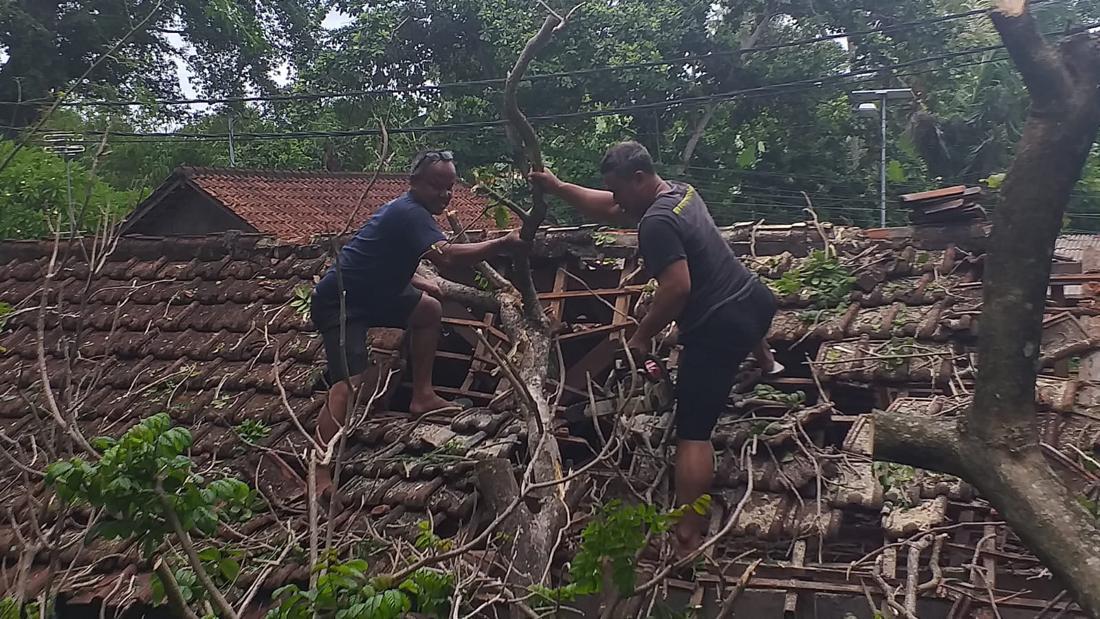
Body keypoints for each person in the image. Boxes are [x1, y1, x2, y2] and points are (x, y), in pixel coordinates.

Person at [529, 141, 780, 556]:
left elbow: (677, 288)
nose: (616, 199)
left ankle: (687, 533)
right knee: (733, 302)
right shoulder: (680, 192)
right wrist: (557, 187)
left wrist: (642, 336)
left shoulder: (656, 224)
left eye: (619, 189)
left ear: (639, 180)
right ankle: (768, 364)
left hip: (719, 325)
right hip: (756, 302)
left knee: (693, 432)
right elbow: (609, 208)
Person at [311, 149, 524, 496]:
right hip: (342, 302)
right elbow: (449, 256)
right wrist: (503, 242)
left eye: (450, 187)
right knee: (348, 384)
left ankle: (422, 396)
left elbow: (385, 254)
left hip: (377, 293)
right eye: (436, 186)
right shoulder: (410, 212)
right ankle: (320, 469)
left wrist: (412, 277)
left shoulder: (413, 213)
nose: (445, 194)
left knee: (427, 310)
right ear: (413, 183)